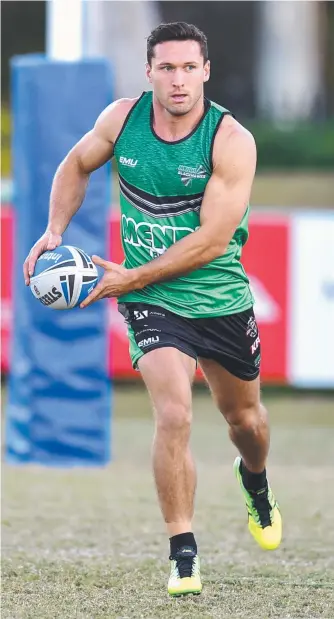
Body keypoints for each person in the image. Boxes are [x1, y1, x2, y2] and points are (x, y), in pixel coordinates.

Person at [24, 22, 282, 597]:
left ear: (206, 71)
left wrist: (127, 276)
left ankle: (257, 483)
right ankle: (183, 552)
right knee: (174, 414)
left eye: (189, 67)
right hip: (151, 300)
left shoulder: (230, 140)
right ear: (149, 72)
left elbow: (214, 240)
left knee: (247, 422)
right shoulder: (122, 120)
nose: (178, 80)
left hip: (217, 295)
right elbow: (74, 164)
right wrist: (53, 231)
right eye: (166, 68)